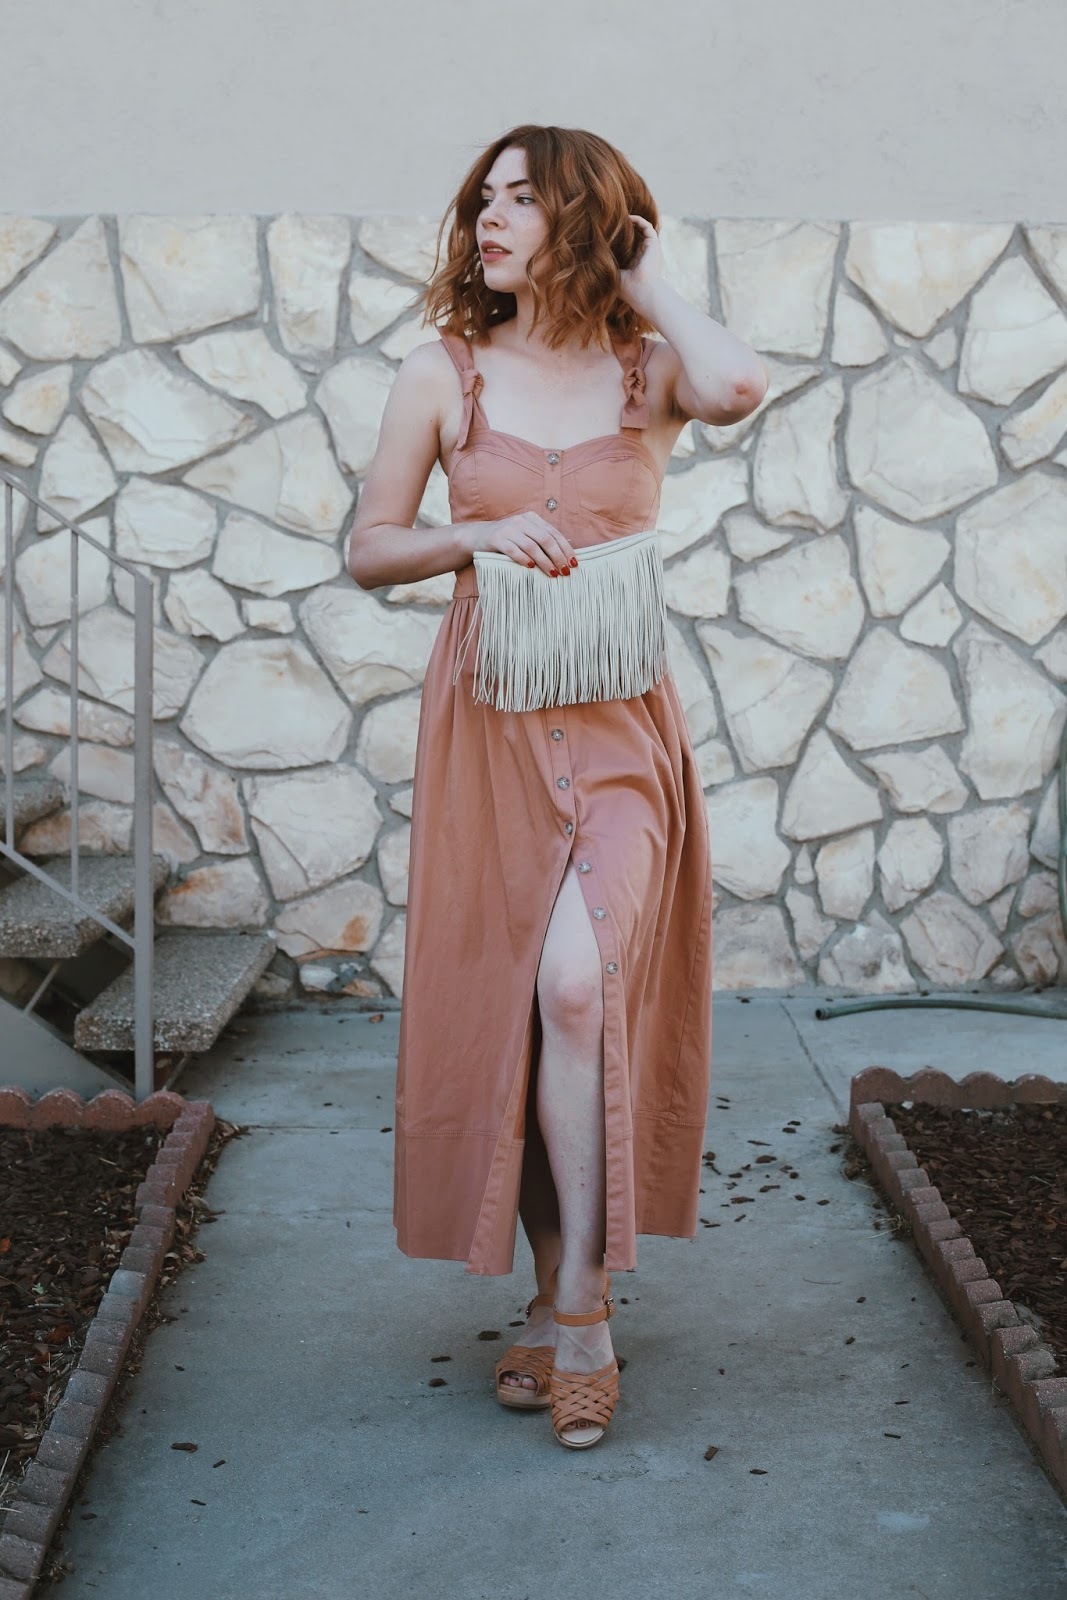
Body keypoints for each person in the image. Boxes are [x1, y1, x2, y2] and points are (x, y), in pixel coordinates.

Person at [347, 124, 768, 1449]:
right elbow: (367, 547)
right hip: (489, 724)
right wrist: (473, 535)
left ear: (582, 219)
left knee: (581, 986)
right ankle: (549, 1293)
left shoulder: (650, 371)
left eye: (523, 199)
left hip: (619, 721)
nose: (489, 216)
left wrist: (645, 278)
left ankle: (582, 1307)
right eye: (484, 196)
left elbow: (739, 382)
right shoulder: (443, 372)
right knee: (521, 1013)